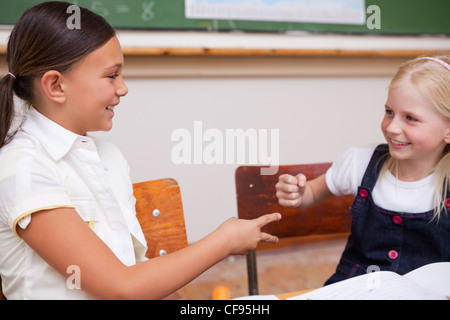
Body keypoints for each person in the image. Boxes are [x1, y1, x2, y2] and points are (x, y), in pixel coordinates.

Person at [0, 2, 281, 300]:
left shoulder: (109, 158)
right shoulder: (23, 169)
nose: (123, 88)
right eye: (111, 76)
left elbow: (139, 272)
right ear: (56, 86)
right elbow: (124, 287)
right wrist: (225, 241)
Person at [276, 54, 450, 285]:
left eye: (410, 118)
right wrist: (298, 194)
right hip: (356, 289)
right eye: (389, 112)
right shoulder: (359, 162)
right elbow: (312, 192)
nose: (392, 127)